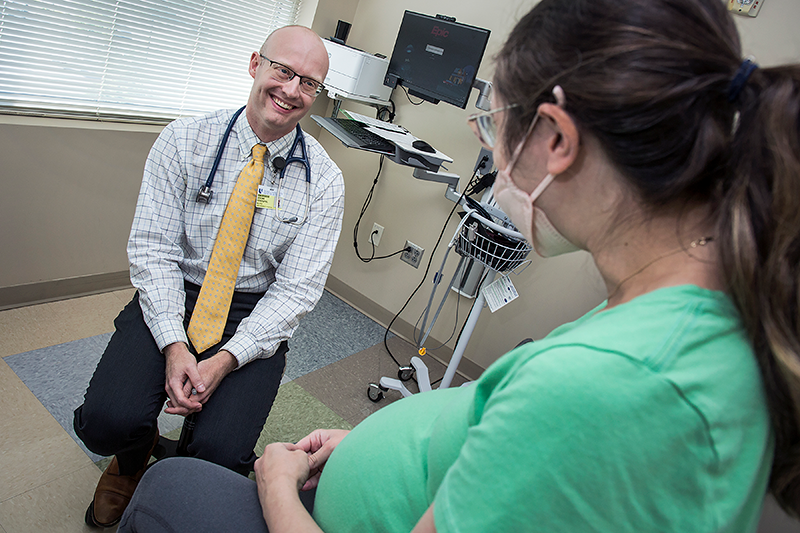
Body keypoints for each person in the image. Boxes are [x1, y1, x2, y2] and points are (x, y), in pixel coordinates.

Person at [118, 0, 800, 531]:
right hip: (235, 352)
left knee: (172, 489)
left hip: (294, 454)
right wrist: (369, 440)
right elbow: (516, 441)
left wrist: (272, 479)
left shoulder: (616, 383)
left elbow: (563, 417)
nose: (487, 143)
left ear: (555, 139)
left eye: (492, 118)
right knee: (116, 413)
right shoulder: (687, 302)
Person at [73, 25, 345, 528]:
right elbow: (152, 253)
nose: (291, 89)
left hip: (253, 309)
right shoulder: (182, 141)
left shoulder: (324, 181)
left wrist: (225, 359)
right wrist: (175, 344)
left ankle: (181, 480)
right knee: (104, 422)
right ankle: (132, 460)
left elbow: (297, 290)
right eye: (283, 70)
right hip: (177, 289)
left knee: (220, 455)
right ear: (255, 65)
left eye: (309, 83)